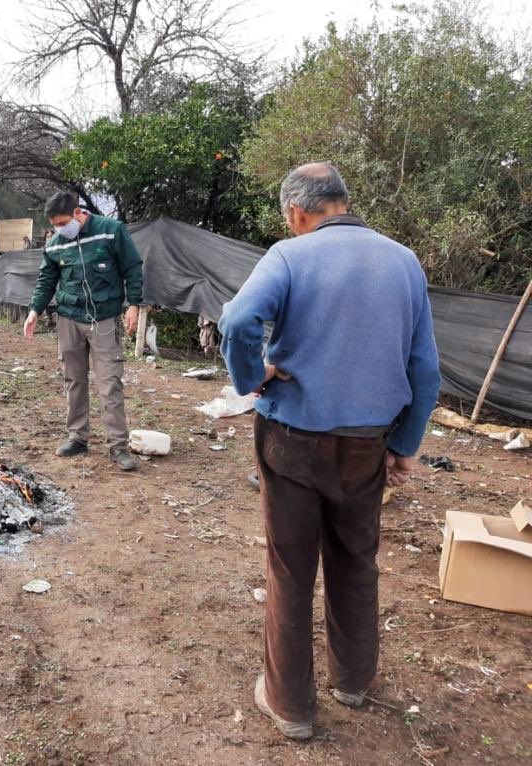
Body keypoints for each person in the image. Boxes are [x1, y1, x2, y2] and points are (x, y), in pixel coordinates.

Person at [218, 162, 440, 740]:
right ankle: (354, 681)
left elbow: (238, 320)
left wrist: (252, 379)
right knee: (356, 558)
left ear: (296, 213)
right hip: (369, 441)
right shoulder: (403, 261)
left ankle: (291, 706)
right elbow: (427, 369)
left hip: (292, 436)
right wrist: (407, 444)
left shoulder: (290, 256)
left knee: (291, 568)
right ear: (344, 202)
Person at [23, 192, 144, 471]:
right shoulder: (54, 245)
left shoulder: (110, 232)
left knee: (109, 381)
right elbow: (46, 280)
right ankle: (77, 437)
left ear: (78, 213)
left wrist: (134, 304)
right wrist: (34, 310)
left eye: (64, 222)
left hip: (103, 318)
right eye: (55, 225)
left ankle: (118, 446)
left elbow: (132, 267)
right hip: (68, 318)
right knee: (73, 379)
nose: (60, 229)